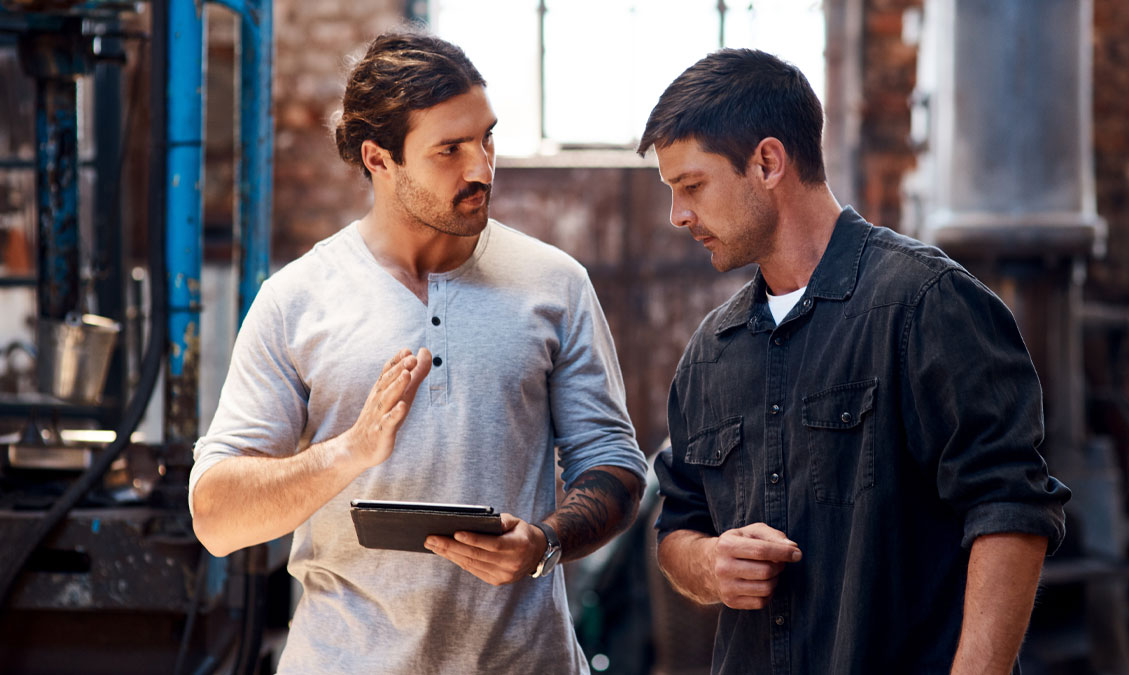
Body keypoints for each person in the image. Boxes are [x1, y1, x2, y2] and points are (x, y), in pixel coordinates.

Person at [189, 29, 646, 674]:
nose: (480, 168)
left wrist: (544, 543)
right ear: (379, 159)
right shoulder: (296, 299)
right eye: (449, 150)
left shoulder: (555, 283)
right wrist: (348, 452)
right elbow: (215, 517)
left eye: (486, 137)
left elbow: (615, 467)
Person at [639, 49, 1070, 674]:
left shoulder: (927, 304)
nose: (678, 215)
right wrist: (708, 563)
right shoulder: (710, 353)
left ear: (766, 162)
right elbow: (677, 526)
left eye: (691, 186)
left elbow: (1010, 509)